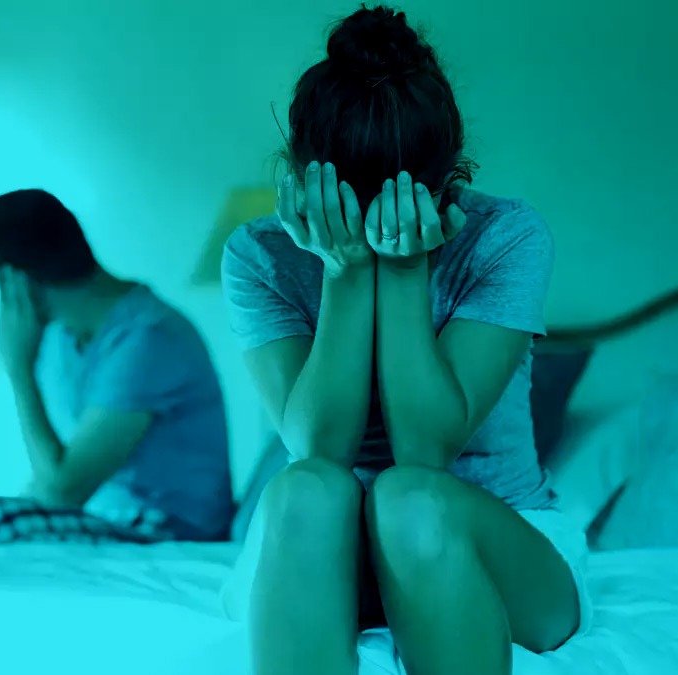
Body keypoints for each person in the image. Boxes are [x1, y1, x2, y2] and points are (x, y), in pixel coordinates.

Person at [219, 6, 588, 675]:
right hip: (320, 545)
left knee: (408, 497)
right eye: (347, 211)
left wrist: (403, 270)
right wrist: (344, 271)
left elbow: (425, 451)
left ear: (452, 182)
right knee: (303, 490)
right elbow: (319, 448)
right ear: (299, 180)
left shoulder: (505, 238)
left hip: (489, 535)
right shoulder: (260, 254)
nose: (367, 228)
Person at [0, 189, 234, 554]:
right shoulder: (63, 337)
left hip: (167, 528)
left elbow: (62, 491)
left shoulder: (148, 338)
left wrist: (18, 368)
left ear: (17, 278)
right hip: (108, 518)